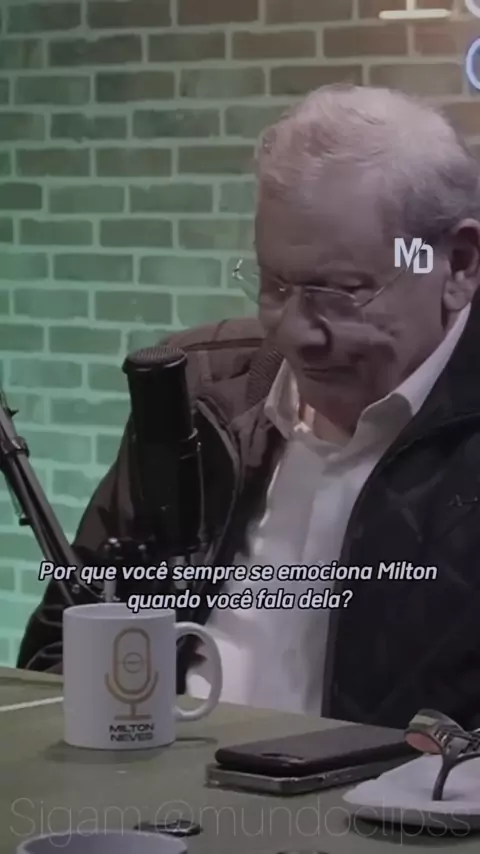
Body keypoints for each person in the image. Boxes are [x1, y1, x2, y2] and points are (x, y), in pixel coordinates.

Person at [17, 84, 480, 729]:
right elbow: (58, 653)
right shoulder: (196, 393)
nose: (297, 332)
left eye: (342, 292)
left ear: (457, 266)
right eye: (276, 285)